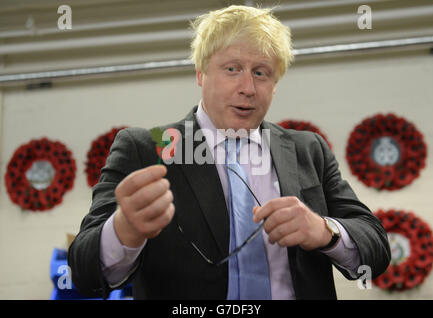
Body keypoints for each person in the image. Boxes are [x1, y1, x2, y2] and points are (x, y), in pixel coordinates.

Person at [68, 5, 390, 300]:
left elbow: (375, 248)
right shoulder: (145, 148)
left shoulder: (309, 150)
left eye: (261, 72)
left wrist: (324, 231)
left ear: (275, 84)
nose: (248, 88)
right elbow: (84, 272)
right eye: (232, 69)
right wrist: (125, 230)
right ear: (200, 72)